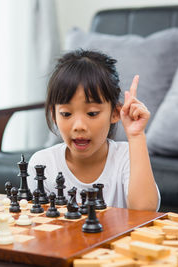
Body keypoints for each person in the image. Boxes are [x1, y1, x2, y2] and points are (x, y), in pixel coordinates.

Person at [28, 49, 160, 211]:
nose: (79, 126)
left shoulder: (127, 156)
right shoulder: (43, 164)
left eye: (92, 113)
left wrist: (136, 136)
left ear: (115, 113)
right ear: (54, 115)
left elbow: (145, 212)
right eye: (66, 114)